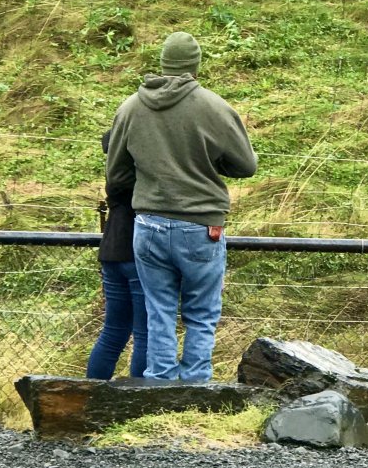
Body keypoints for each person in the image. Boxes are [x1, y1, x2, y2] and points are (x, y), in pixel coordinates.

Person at [104, 32, 257, 382]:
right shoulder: (214, 107)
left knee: (159, 310)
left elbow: (116, 174)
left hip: (149, 225)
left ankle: (159, 383)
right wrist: (206, 164)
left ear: (163, 62)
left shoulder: (130, 108)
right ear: (195, 66)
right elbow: (246, 165)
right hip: (201, 224)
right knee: (201, 313)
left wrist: (151, 178)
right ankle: (195, 386)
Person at [85, 130, 147, 379]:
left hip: (112, 249)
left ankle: (90, 395)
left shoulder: (114, 169)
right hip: (138, 252)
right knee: (146, 334)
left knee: (113, 332)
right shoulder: (143, 172)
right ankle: (138, 403)